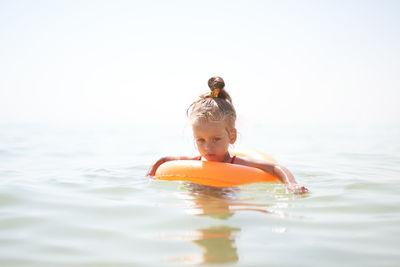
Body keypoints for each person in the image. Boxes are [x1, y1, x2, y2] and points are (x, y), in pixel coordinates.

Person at [147, 76, 308, 194]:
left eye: (216, 139)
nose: (208, 146)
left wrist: (291, 184)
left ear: (232, 137)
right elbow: (163, 160)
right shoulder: (195, 160)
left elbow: (276, 168)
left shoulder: (237, 162)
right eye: (200, 140)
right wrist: (149, 176)